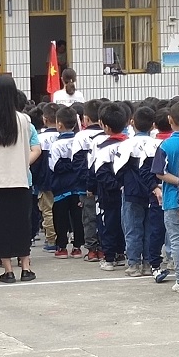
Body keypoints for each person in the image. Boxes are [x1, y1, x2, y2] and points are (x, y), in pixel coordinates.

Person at [0, 74, 41, 283]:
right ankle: (26, 268)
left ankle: (8, 270)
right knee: (21, 224)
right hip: (19, 178)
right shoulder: (24, 120)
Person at [151, 102, 179, 293]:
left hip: (172, 199)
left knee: (177, 241)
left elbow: (159, 172)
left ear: (170, 120)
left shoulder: (166, 144)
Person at [114, 106, 159, 277]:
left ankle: (133, 264)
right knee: (149, 228)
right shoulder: (157, 144)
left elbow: (117, 168)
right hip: (153, 190)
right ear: (153, 125)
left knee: (132, 228)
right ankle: (147, 263)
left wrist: (123, 183)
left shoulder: (127, 144)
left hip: (131, 191)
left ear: (132, 123)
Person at [89, 102, 128, 271]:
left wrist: (111, 186)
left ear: (105, 126)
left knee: (108, 225)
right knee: (124, 223)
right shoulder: (129, 143)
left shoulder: (103, 148)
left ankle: (109, 258)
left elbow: (99, 172)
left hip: (108, 194)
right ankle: (121, 253)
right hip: (128, 192)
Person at [71, 100, 106, 262]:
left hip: (85, 186)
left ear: (85, 118)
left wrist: (85, 183)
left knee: (89, 217)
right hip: (104, 184)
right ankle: (104, 247)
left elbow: (77, 163)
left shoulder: (80, 136)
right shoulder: (107, 134)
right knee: (104, 216)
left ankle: (92, 249)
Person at [49, 107, 85, 258]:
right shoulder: (79, 141)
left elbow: (54, 166)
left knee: (60, 218)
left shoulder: (56, 144)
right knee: (78, 218)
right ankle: (77, 247)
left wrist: (66, 165)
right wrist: (73, 165)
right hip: (77, 186)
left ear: (59, 124)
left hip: (61, 187)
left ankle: (62, 247)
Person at [36, 104, 59, 252]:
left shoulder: (39, 138)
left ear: (44, 119)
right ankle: (62, 236)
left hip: (44, 179)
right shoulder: (62, 136)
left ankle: (52, 239)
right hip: (61, 179)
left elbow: (36, 162)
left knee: (47, 210)